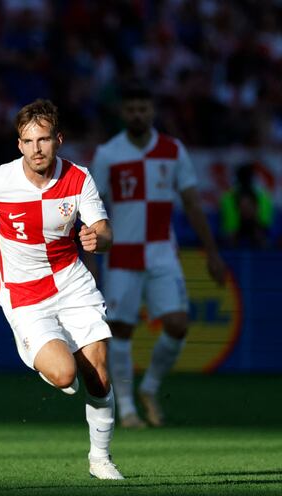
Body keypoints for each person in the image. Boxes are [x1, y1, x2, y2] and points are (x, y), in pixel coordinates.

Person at [0, 99, 124, 480]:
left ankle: (100, 459)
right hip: (24, 291)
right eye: (28, 141)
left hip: (71, 280)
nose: (37, 149)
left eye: (44, 140)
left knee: (99, 374)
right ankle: (53, 361)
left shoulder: (78, 178)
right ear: (18, 144)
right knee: (65, 375)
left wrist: (99, 239)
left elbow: (104, 229)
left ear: (58, 140)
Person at [90, 82, 227, 428]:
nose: (138, 114)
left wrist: (212, 253)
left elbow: (193, 204)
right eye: (132, 109)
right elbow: (92, 208)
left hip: (162, 252)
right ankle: (128, 409)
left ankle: (149, 387)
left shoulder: (173, 150)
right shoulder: (108, 154)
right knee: (119, 330)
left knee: (178, 324)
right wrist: (91, 259)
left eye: (143, 108)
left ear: (152, 111)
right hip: (122, 254)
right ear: (123, 113)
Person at [219, 162, 274, 249]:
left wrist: (259, 227)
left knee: (260, 235)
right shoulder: (228, 197)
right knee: (230, 237)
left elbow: (265, 223)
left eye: (249, 206)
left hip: (257, 227)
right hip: (235, 229)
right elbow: (229, 225)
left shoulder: (262, 196)